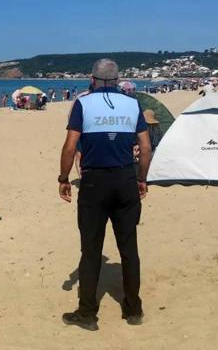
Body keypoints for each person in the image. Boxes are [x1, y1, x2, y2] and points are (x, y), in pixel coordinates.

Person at [58, 58, 152, 331]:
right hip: (125, 180)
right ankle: (133, 309)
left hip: (94, 182)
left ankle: (87, 314)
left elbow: (69, 147)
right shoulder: (132, 103)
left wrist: (64, 179)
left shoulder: (83, 103)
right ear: (118, 80)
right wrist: (141, 179)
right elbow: (145, 149)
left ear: (93, 79)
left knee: (90, 250)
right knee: (128, 247)